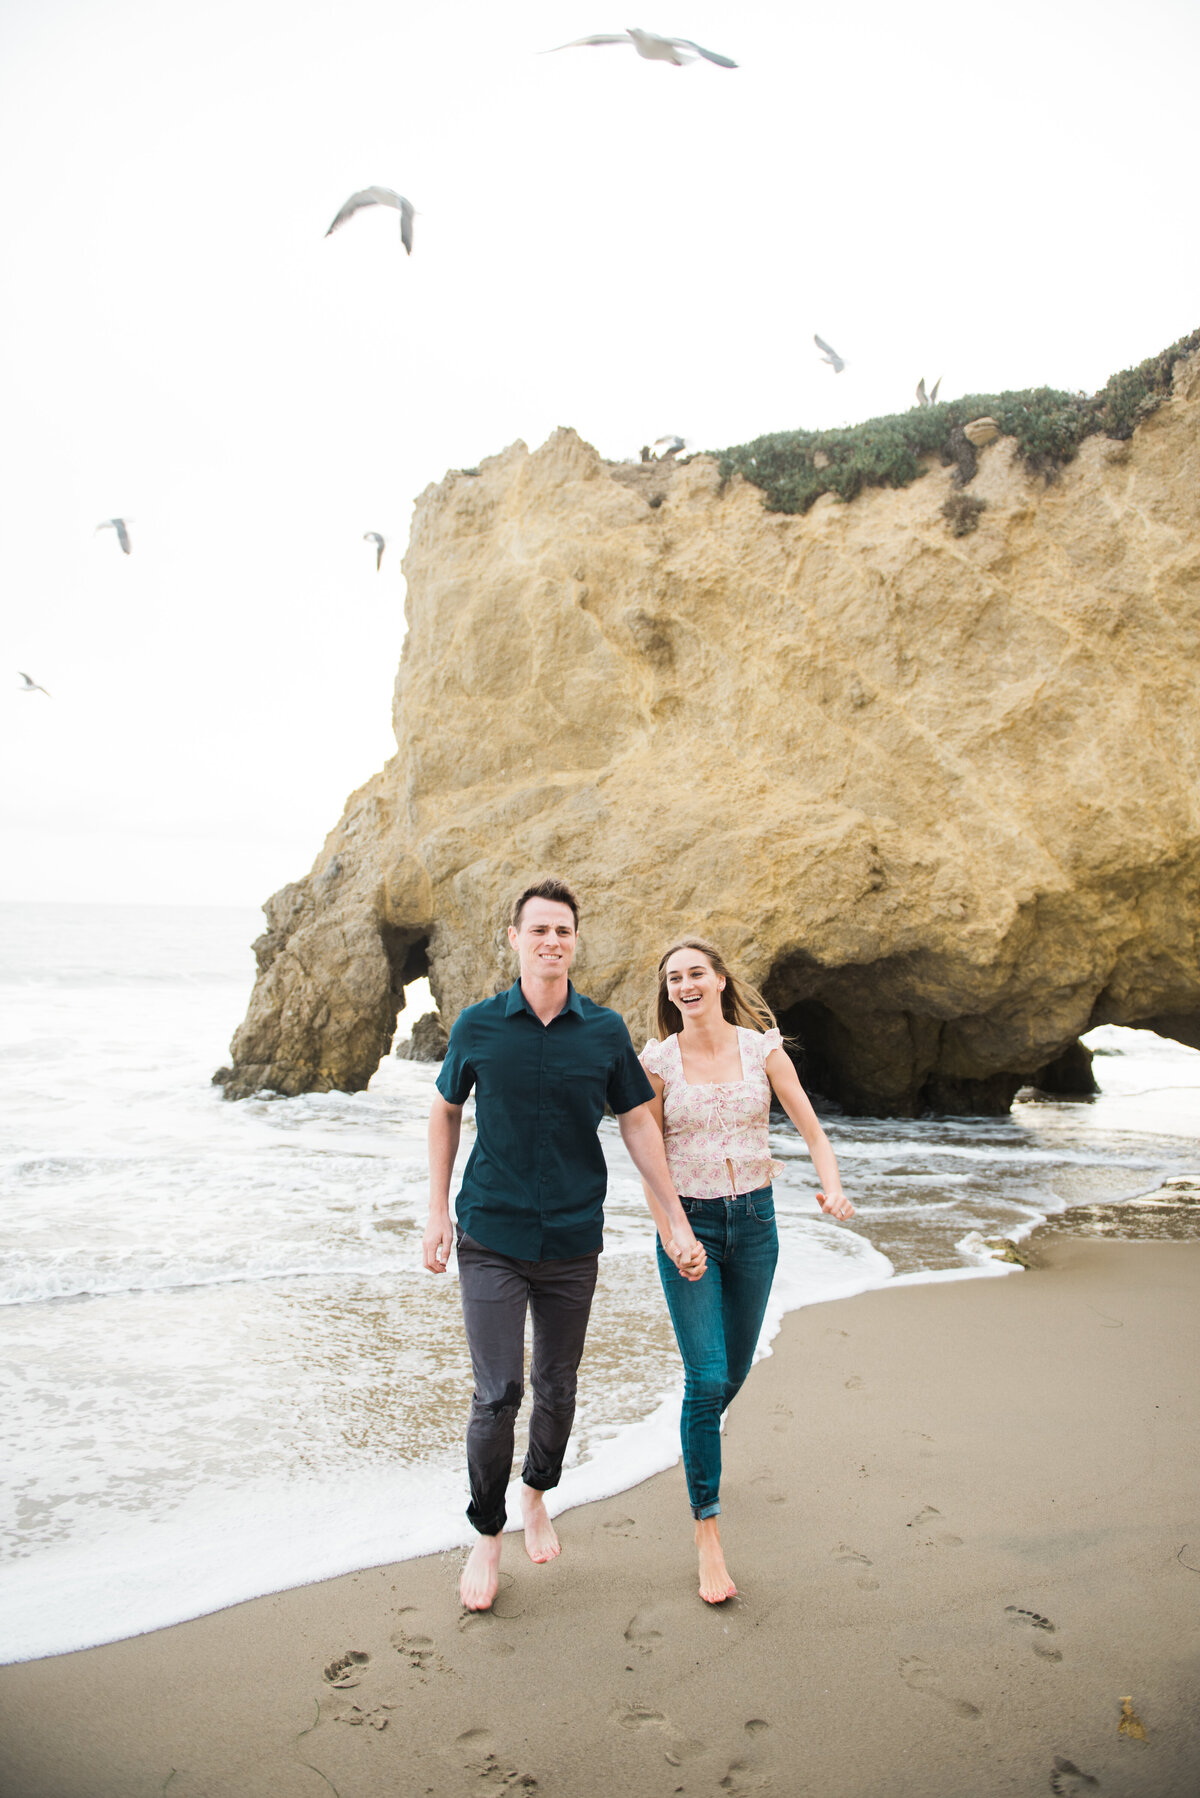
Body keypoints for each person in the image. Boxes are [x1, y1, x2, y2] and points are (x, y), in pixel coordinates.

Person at [422, 877, 706, 1612]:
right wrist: (436, 1213)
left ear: (575, 943)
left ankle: (537, 1493)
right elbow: (446, 1111)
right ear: (514, 939)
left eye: (563, 932)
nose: (552, 941)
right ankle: (486, 1533)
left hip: (574, 1238)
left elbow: (639, 1124)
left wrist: (674, 1218)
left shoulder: (604, 1032)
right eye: (539, 930)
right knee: (498, 1393)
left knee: (558, 1384)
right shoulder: (478, 1026)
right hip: (490, 1231)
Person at [638, 935, 855, 1604]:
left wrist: (832, 1184)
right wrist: (673, 1232)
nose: (685, 984)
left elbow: (811, 1129)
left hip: (756, 1226)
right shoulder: (656, 1062)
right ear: (668, 992)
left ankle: (694, 1439)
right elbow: (647, 1158)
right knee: (706, 1379)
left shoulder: (763, 1050)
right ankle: (708, 1531)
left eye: (696, 972)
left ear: (722, 979)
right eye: (674, 977)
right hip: (691, 1227)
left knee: (731, 1373)